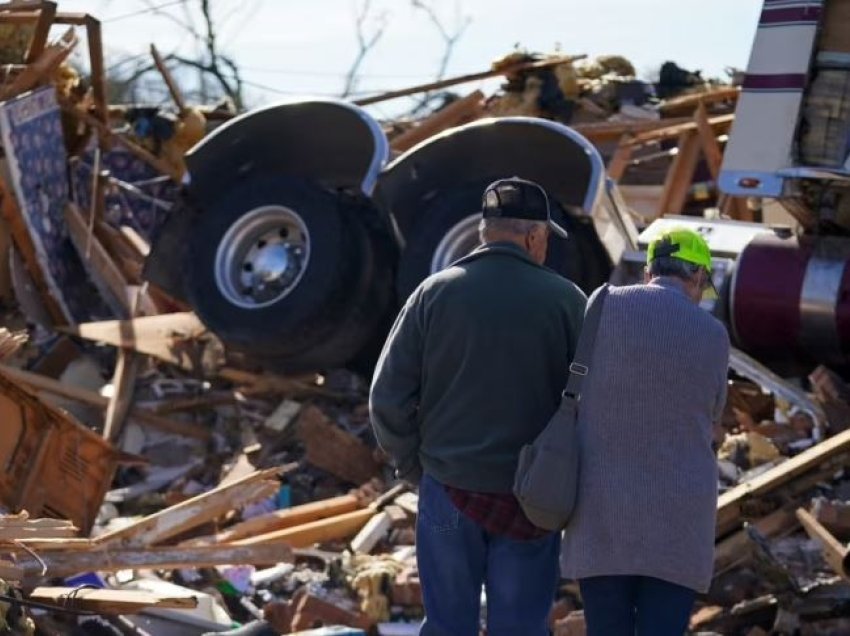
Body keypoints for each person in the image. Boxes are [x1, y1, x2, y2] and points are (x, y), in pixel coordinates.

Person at [369, 176, 587, 636]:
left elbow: (386, 397)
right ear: (534, 236)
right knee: (520, 628)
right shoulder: (567, 301)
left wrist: (415, 467)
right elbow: (594, 406)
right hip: (532, 499)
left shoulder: (434, 293)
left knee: (448, 626)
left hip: (447, 489)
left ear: (485, 233)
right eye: (545, 238)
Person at [560, 227, 730, 636]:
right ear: (698, 278)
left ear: (649, 271)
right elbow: (714, 425)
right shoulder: (713, 335)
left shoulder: (599, 306)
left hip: (602, 514)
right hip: (678, 522)